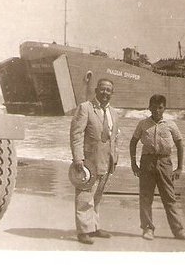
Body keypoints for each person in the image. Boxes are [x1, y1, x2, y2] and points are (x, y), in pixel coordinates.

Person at [129, 94, 185, 241]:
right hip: (147, 162)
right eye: (154, 107)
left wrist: (179, 167)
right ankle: (147, 229)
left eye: (160, 107)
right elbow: (133, 142)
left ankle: (178, 231)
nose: (157, 110)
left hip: (165, 163)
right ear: (149, 107)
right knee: (146, 197)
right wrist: (133, 163)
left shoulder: (171, 124)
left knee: (169, 198)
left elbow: (180, 145)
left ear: (164, 108)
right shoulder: (143, 124)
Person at [70, 78, 119, 245]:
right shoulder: (85, 108)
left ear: (112, 93)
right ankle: (84, 231)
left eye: (109, 90)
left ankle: (94, 227)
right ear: (96, 90)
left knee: (97, 196)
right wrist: (78, 158)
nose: (105, 93)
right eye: (103, 89)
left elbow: (114, 137)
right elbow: (76, 135)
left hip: (107, 160)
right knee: (85, 195)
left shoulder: (113, 112)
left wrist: (115, 157)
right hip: (89, 161)